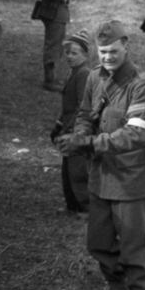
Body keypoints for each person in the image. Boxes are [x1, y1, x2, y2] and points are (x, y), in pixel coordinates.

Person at [59, 20, 145, 290]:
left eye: (113, 51)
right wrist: (79, 134)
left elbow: (134, 135)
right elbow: (84, 115)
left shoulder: (142, 86)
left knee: (133, 246)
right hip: (101, 176)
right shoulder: (94, 78)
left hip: (130, 179)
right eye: (102, 52)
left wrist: (88, 144)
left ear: (126, 46)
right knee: (99, 242)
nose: (107, 57)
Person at [51, 28, 93, 212]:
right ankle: (72, 205)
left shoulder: (83, 73)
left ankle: (85, 207)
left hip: (78, 129)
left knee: (78, 169)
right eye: (67, 52)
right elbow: (68, 106)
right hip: (69, 126)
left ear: (84, 55)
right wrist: (58, 125)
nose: (69, 56)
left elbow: (82, 105)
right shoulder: (73, 72)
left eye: (74, 53)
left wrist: (69, 128)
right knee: (68, 167)